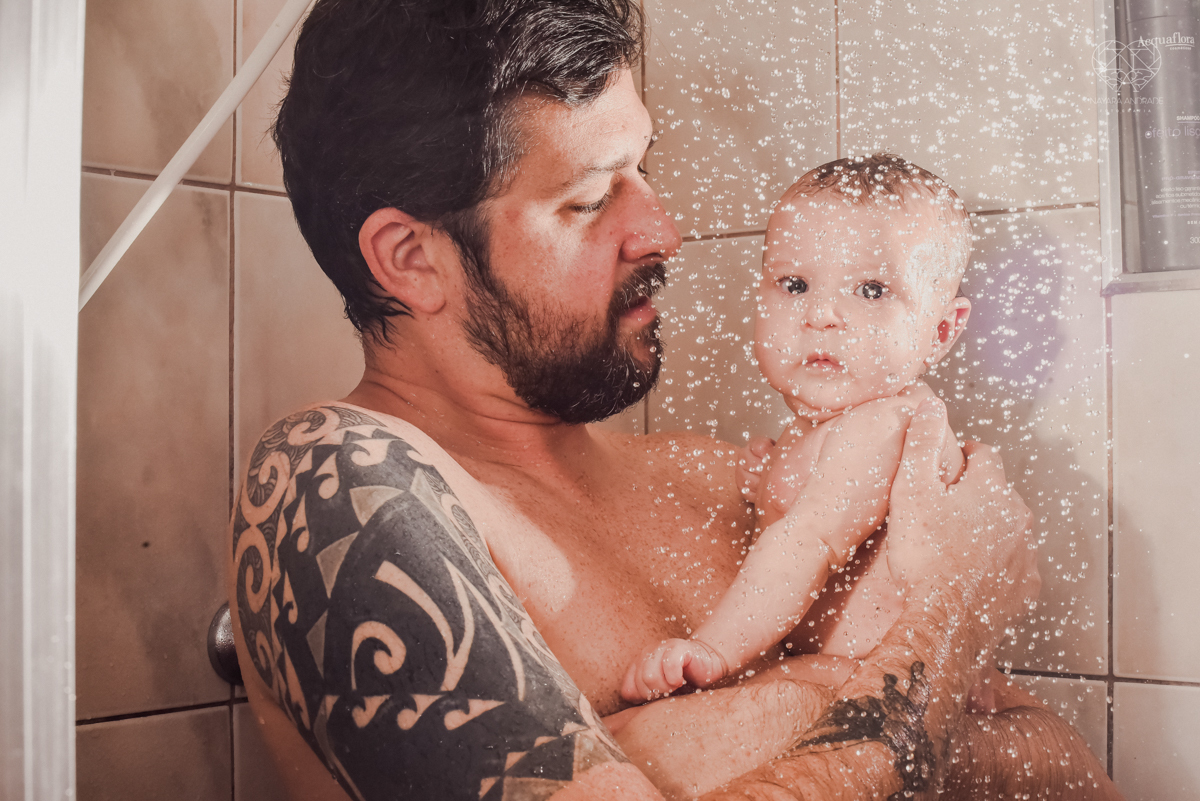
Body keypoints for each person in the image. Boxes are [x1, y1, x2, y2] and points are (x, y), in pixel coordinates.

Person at [226, 1, 1120, 799]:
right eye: (587, 201)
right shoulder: (339, 480)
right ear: (413, 260)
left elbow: (1046, 754)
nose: (661, 230)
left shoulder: (729, 476)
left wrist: (688, 744)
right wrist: (946, 622)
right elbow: (962, 697)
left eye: (643, 170)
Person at [622, 155, 977, 700]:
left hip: (887, 692)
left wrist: (714, 649)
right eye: (795, 285)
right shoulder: (819, 430)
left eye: (873, 290)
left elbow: (806, 542)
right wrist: (766, 487)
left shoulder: (887, 422)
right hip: (845, 682)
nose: (823, 315)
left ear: (942, 330)